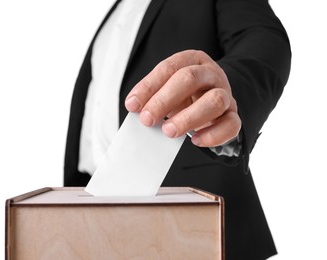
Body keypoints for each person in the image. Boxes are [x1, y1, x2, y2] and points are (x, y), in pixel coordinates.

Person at [64, 0, 291, 259]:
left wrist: (225, 94)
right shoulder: (114, 14)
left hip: (195, 224)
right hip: (97, 225)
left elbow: (263, 39)